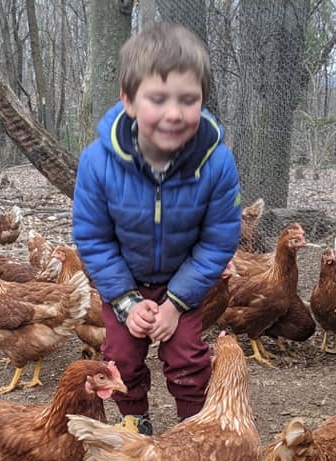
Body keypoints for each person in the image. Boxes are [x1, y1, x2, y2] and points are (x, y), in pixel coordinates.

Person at [72, 22, 242, 436]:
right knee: (120, 356)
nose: (174, 113)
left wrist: (176, 303)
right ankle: (135, 421)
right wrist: (126, 301)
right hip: (122, 282)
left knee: (187, 356)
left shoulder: (216, 163)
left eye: (188, 99)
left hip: (182, 281)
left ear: (202, 100)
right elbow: (92, 238)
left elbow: (219, 239)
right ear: (129, 101)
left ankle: (194, 428)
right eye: (158, 99)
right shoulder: (97, 162)